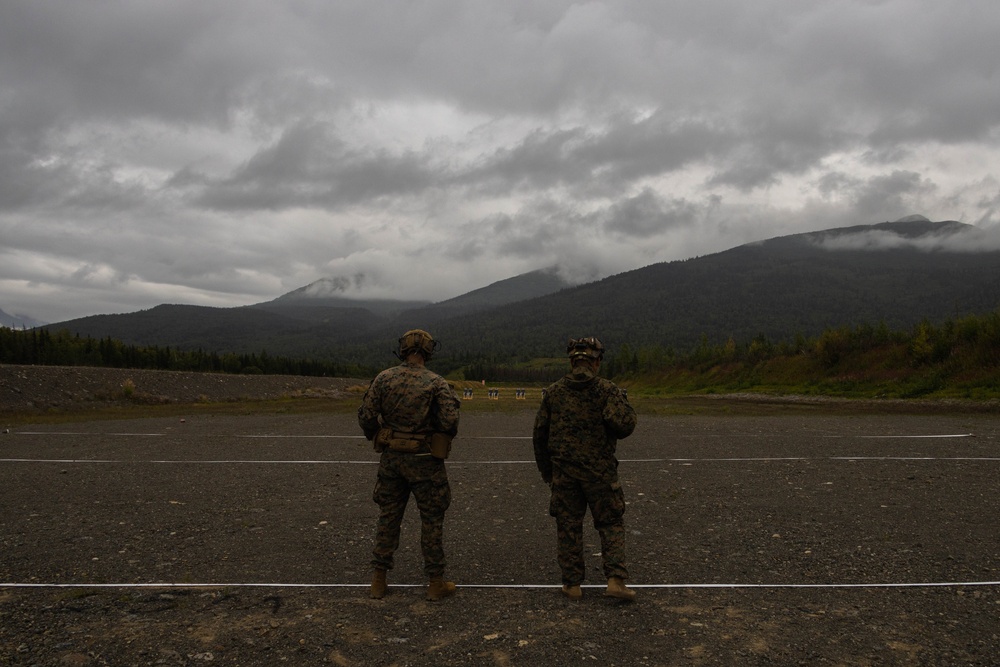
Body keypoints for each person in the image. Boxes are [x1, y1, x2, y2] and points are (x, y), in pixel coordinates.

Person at [358, 329, 461, 601]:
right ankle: (435, 583)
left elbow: (367, 415)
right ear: (428, 352)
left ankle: (378, 580)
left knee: (388, 517)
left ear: (402, 349)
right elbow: (450, 422)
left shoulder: (384, 378)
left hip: (392, 460)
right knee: (431, 521)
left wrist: (380, 435)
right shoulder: (436, 382)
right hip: (425, 462)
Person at [533, 336, 638, 601]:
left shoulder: (554, 392)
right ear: (597, 361)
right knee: (611, 522)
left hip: (564, 473)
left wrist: (548, 472)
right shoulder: (606, 390)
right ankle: (615, 580)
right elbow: (625, 426)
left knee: (568, 525)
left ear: (572, 361)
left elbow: (539, 436)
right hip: (600, 472)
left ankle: (572, 584)